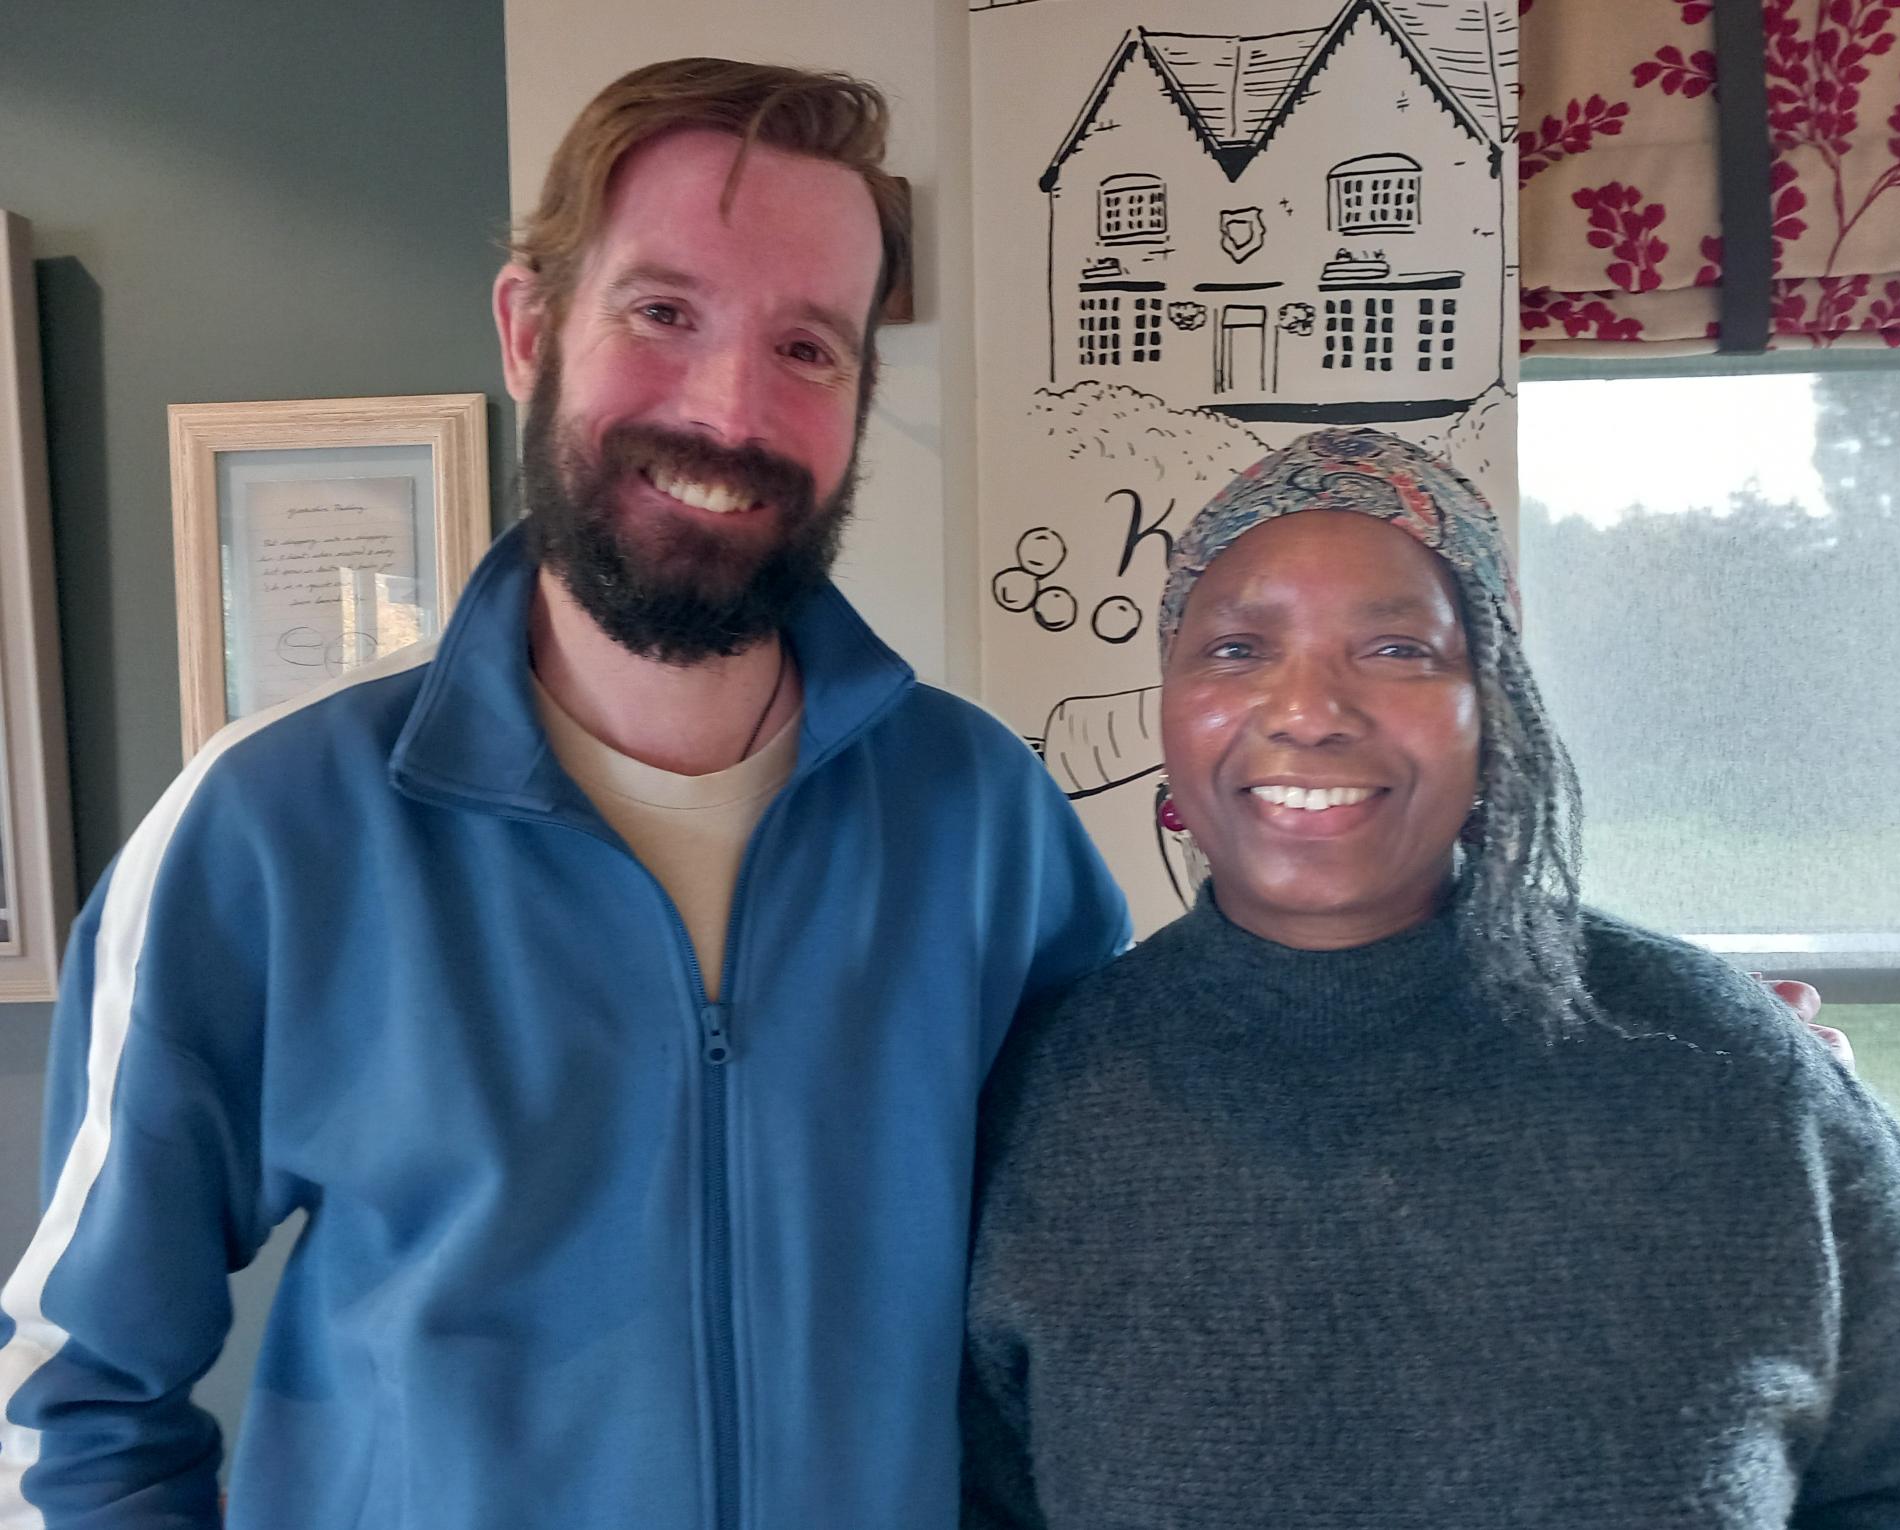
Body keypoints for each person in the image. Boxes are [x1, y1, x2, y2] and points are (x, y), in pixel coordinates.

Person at [0, 60, 1128, 1528]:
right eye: (663, 313)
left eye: (808, 345)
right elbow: (74, 1394)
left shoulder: (984, 827)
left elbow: (1087, 1317)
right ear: (531, 329)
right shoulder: (271, 833)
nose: (729, 407)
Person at [961, 428, 1900, 1528]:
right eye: (1236, 649)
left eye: (1397, 652)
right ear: (1169, 706)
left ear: (1496, 714)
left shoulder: (1730, 1073)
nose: (1308, 709)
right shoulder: (1038, 1104)